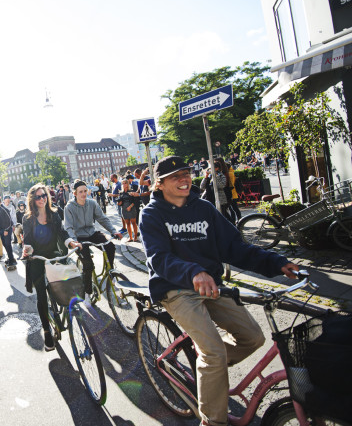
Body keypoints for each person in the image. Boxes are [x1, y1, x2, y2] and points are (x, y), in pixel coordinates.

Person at [138, 155, 299, 426]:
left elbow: (235, 247)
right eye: (176, 176)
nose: (184, 179)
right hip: (175, 288)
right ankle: (212, 421)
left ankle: (207, 366)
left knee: (253, 337)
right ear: (160, 183)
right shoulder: (152, 214)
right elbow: (158, 258)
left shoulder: (204, 209)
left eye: (187, 173)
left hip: (211, 285)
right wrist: (192, 272)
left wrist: (278, 262)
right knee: (214, 352)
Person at [22, 184, 81, 351]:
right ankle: (47, 331)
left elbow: (62, 232)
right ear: (33, 200)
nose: (42, 199)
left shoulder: (54, 213)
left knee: (64, 285)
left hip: (53, 254)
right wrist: (28, 249)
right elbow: (27, 239)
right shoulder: (28, 218)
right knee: (41, 295)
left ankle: (63, 307)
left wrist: (71, 242)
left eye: (44, 195)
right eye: (38, 197)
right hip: (36, 257)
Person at [63, 180, 122, 302]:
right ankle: (87, 292)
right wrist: (74, 241)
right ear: (75, 193)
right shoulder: (69, 207)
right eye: (81, 192)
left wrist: (113, 231)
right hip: (78, 237)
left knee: (110, 246)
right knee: (88, 265)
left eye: (85, 191)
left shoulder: (92, 203)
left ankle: (111, 273)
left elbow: (102, 219)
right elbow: (68, 227)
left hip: (91, 233)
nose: (84, 194)